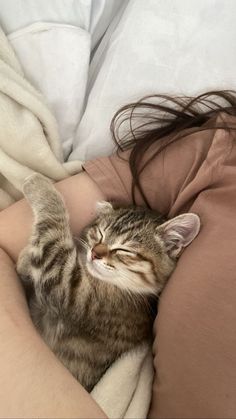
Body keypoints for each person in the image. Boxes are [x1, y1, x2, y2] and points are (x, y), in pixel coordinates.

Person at [0, 90, 236, 418]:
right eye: (98, 239)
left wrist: (52, 211)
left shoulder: (126, 306)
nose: (97, 253)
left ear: (170, 249)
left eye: (123, 252)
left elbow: (56, 287)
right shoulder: (218, 148)